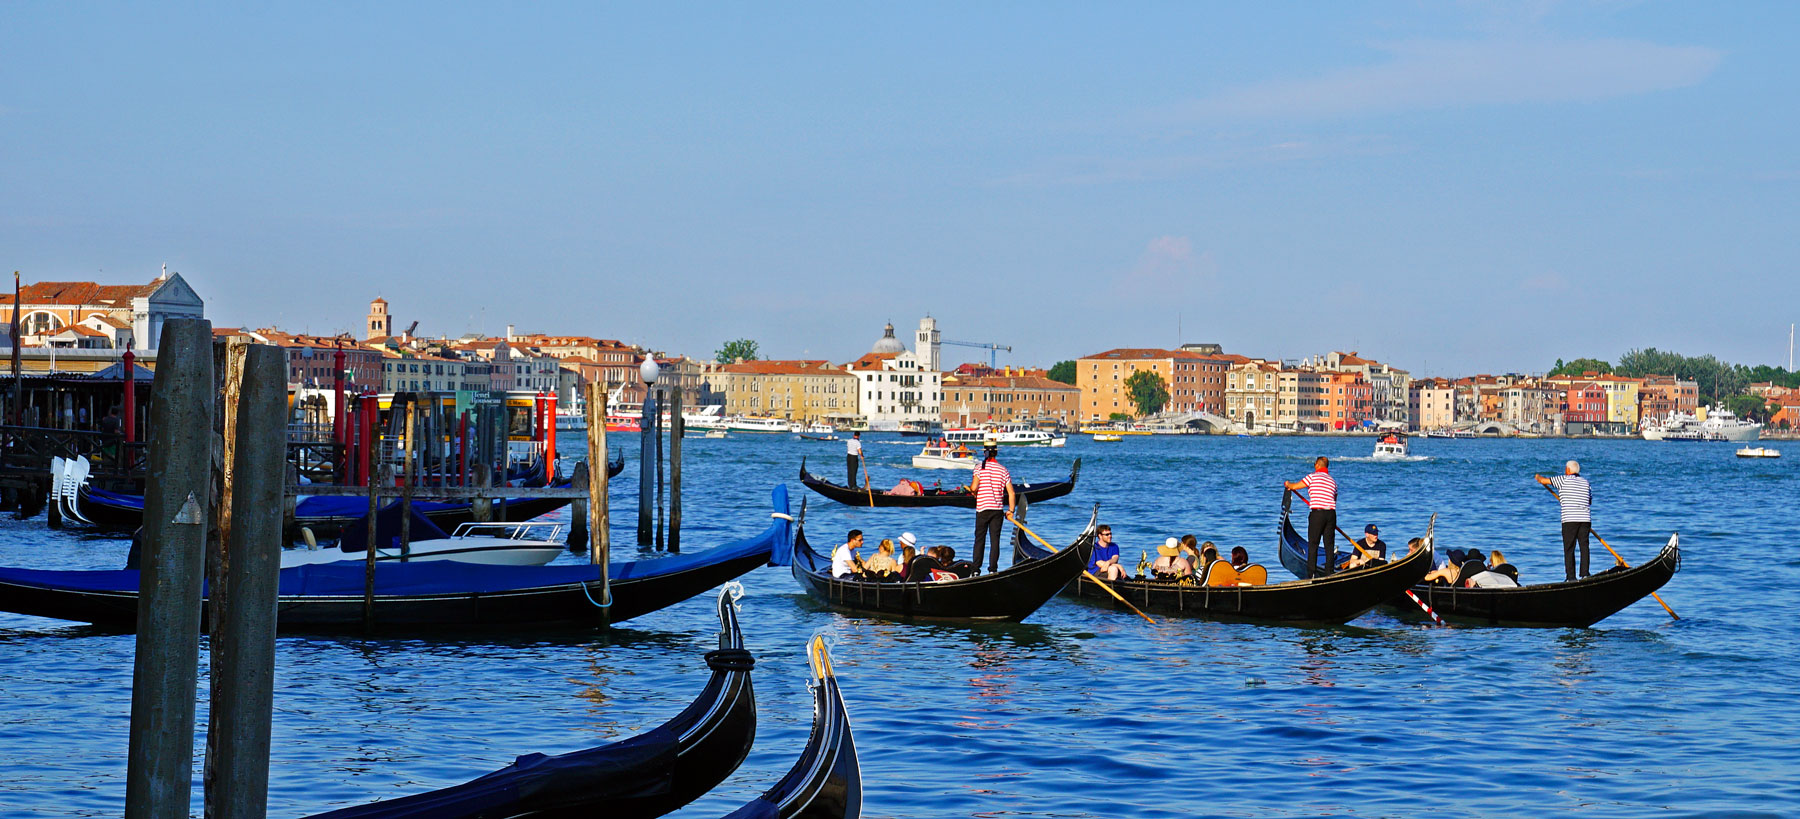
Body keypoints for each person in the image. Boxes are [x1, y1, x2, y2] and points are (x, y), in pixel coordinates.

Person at [1284, 456, 1340, 578]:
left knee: (1313, 544)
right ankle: (1329, 573)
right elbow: (1334, 499)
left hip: (1317, 514)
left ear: (1317, 465)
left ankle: (1311, 574)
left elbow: (1295, 486)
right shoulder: (1332, 481)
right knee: (1329, 545)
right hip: (1331, 514)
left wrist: (1288, 484)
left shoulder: (1312, 477)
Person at [1537, 461, 1591, 582]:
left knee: (1569, 548)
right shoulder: (1585, 482)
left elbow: (1544, 481)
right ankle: (1585, 573)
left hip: (1570, 519)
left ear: (1567, 470)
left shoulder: (1563, 479)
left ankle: (1571, 577)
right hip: (1585, 519)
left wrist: (1538, 477)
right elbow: (1589, 501)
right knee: (1584, 547)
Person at [970, 438, 1017, 574]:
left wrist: (974, 492)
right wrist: (1011, 511)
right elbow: (1011, 493)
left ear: (984, 452)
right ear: (995, 453)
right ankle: (993, 570)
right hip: (997, 510)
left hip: (983, 509)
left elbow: (973, 487)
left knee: (980, 539)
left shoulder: (979, 468)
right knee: (995, 540)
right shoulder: (1003, 470)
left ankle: (976, 570)